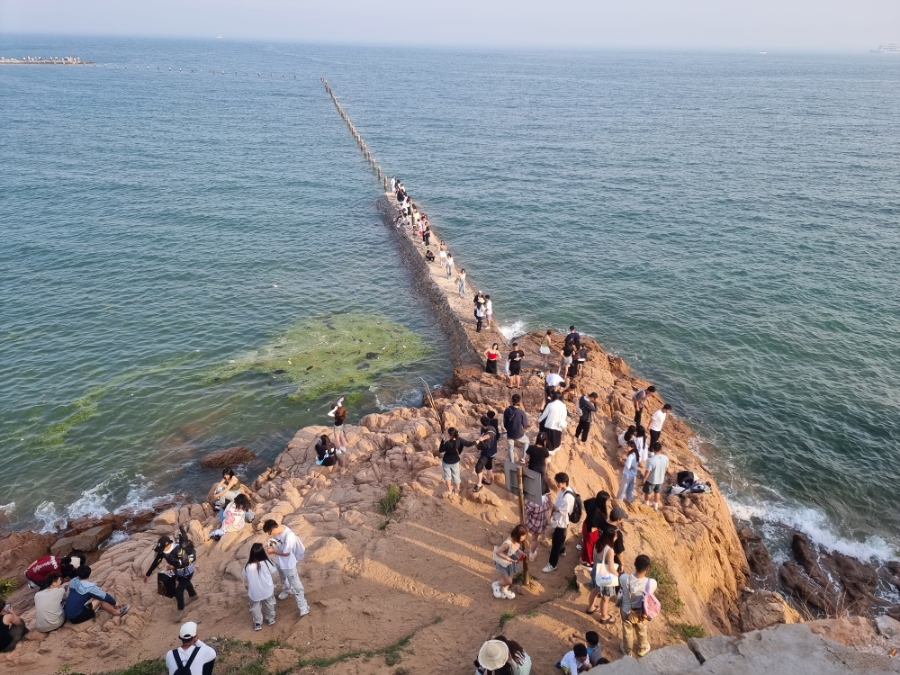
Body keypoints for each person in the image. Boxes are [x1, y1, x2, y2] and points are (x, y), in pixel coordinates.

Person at [263, 520, 310, 618]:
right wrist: (273, 544)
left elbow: (286, 553)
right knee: (283, 577)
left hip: (289, 564)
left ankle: (303, 607)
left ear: (274, 529)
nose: (270, 535)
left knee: (297, 586)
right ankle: (287, 589)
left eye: (270, 532)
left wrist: (273, 551)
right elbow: (280, 544)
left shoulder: (289, 536)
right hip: (281, 562)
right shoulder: (281, 529)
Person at [144, 534, 197, 620]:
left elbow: (185, 562)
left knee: (178, 592)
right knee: (184, 583)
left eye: (162, 549)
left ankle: (181, 611)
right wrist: (148, 573)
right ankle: (193, 595)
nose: (161, 551)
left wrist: (174, 566)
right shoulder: (163, 552)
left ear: (168, 545)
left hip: (187, 572)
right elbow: (156, 561)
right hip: (178, 572)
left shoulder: (178, 550)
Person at [619, 554, 659, 658]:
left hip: (626, 610)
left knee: (627, 631)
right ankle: (642, 648)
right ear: (648, 569)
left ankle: (627, 651)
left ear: (634, 564)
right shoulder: (651, 583)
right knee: (642, 628)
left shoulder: (624, 578)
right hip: (642, 612)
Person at [64, 565, 128, 624]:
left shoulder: (73, 581)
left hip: (68, 613)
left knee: (92, 596)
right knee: (99, 598)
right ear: (89, 574)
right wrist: (114, 603)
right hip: (76, 617)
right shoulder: (90, 587)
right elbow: (104, 596)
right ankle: (116, 612)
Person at [585, 528, 619, 623]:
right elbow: (611, 568)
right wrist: (618, 576)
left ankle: (590, 608)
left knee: (595, 590)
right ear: (611, 537)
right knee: (605, 597)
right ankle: (604, 617)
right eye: (615, 536)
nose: (616, 537)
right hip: (605, 575)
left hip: (597, 571)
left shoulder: (598, 543)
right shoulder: (609, 550)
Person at [543, 472, 575, 573]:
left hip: (562, 521)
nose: (557, 484)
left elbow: (563, 511)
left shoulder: (568, 497)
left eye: (558, 483)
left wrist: (554, 510)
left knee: (556, 542)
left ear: (564, 482)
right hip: (561, 521)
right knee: (561, 537)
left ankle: (552, 564)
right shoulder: (565, 490)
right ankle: (562, 551)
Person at [242, 543, 277, 630]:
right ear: (262, 553)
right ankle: (270, 619)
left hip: (254, 592)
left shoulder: (247, 566)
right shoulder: (267, 562)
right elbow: (273, 570)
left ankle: (258, 623)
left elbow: (244, 576)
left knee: (255, 607)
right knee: (270, 603)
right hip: (267, 589)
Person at [492, 524, 527, 599]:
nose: (523, 539)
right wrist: (507, 558)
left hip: (511, 562)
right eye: (522, 537)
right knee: (509, 581)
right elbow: (498, 552)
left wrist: (520, 551)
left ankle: (504, 590)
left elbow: (515, 547)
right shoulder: (507, 544)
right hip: (504, 562)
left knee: (510, 576)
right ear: (517, 536)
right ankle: (496, 584)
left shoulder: (517, 541)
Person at [437, 427, 475, 496]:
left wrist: (443, 440)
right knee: (456, 476)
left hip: (446, 462)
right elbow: (468, 444)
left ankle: (449, 490)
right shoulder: (459, 440)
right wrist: (478, 441)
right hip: (455, 462)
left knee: (447, 476)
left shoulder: (448, 443)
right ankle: (457, 491)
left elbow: (440, 450)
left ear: (450, 435)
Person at [579, 490, 609, 567]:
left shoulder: (593, 501)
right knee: (590, 546)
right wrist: (596, 527)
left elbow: (585, 503)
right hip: (591, 531)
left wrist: (588, 513)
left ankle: (584, 559)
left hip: (586, 525)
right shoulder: (597, 511)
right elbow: (592, 524)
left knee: (587, 545)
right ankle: (588, 562)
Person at [524, 481, 551, 562]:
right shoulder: (546, 499)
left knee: (526, 532)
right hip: (541, 524)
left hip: (532, 523)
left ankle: (523, 546)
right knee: (534, 539)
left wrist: (526, 501)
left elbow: (526, 511)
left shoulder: (533, 502)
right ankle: (532, 554)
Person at [473, 416, 499, 493]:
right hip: (493, 451)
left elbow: (486, 446)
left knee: (478, 467)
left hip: (487, 453)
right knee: (488, 465)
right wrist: (483, 438)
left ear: (482, 424)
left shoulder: (489, 434)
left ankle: (479, 484)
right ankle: (488, 480)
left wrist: (480, 441)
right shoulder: (491, 428)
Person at [503, 394, 529, 463]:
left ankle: (512, 462)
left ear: (512, 401)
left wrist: (508, 429)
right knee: (526, 441)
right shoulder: (521, 412)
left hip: (510, 433)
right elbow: (525, 424)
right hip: (519, 433)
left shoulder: (507, 410)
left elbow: (505, 423)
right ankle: (523, 458)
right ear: (519, 402)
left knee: (510, 448)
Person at [642, 443, 669, 510]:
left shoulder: (651, 460)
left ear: (653, 449)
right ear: (661, 449)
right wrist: (662, 474)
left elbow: (648, 471)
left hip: (651, 480)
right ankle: (655, 505)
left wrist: (644, 479)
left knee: (648, 492)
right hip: (660, 479)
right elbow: (667, 468)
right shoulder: (665, 458)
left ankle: (646, 503)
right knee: (657, 492)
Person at [327, 397, 347, 463]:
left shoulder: (336, 415)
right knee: (342, 437)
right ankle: (343, 447)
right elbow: (339, 403)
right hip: (341, 425)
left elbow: (328, 414)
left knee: (337, 440)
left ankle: (338, 450)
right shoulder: (342, 411)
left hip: (337, 427)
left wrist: (334, 409)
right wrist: (340, 401)